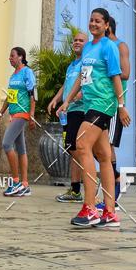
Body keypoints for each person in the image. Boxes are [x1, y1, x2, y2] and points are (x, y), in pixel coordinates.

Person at [58, 7, 130, 229]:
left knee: (81, 144)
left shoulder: (109, 47)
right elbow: (82, 78)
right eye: (91, 20)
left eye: (98, 21)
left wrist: (121, 106)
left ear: (106, 25)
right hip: (89, 104)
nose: (93, 24)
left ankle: (90, 208)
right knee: (104, 156)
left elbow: (116, 77)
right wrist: (67, 100)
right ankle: (110, 213)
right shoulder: (89, 47)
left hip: (103, 103)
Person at [48, 31, 88, 203]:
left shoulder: (86, 62)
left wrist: (71, 100)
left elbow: (85, 86)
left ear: (87, 44)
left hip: (80, 110)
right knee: (72, 149)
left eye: (81, 40)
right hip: (68, 111)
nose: (77, 42)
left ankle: (91, 176)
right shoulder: (72, 65)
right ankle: (75, 191)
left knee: (73, 146)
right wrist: (56, 99)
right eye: (75, 40)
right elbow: (66, 86)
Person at [95, 15, 130, 212]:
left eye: (99, 22)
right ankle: (115, 179)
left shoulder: (120, 46)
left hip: (114, 102)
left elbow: (125, 73)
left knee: (108, 146)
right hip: (99, 102)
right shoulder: (100, 46)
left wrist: (107, 70)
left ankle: (114, 190)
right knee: (98, 146)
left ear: (107, 27)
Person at [0, 46, 36, 197]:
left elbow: (32, 94)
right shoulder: (13, 76)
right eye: (10, 56)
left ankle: (16, 181)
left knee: (6, 144)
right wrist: (0, 114)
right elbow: (9, 97)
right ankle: (25, 185)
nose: (10, 58)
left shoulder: (27, 72)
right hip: (14, 113)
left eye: (12, 56)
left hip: (22, 113)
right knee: (21, 149)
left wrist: (32, 115)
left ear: (21, 57)